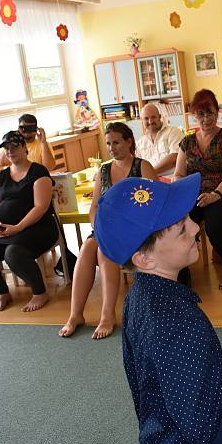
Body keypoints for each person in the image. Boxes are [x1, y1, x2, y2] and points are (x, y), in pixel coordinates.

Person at [94, 173, 222, 444]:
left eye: (188, 218)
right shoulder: (178, 320)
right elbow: (207, 431)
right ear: (144, 258)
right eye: (180, 229)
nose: (194, 226)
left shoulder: (139, 297)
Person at [58, 122, 156, 339]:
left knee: (104, 250)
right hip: (107, 228)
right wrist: (97, 226)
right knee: (87, 247)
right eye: (109, 143)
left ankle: (107, 314)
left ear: (129, 141)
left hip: (135, 231)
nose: (112, 148)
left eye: (117, 142)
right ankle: (76, 314)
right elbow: (94, 207)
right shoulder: (103, 171)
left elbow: (154, 206)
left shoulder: (142, 166)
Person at [0, 131, 58, 313]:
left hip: (37, 228)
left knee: (13, 252)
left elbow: (40, 207)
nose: (10, 151)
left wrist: (18, 227)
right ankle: (2, 292)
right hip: (5, 231)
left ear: (25, 148)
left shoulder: (38, 172)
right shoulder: (0, 177)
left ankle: (40, 292)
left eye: (14, 147)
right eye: (6, 148)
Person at [174, 89, 222, 290]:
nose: (206, 119)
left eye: (210, 113)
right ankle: (181, 272)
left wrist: (215, 195)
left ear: (217, 112)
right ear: (194, 116)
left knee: (215, 226)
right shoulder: (186, 142)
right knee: (176, 224)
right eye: (201, 114)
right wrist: (180, 191)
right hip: (194, 194)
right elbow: (179, 174)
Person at [136, 103, 184, 177]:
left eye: (153, 117)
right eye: (146, 118)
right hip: (150, 183)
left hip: (172, 180)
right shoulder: (140, 142)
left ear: (159, 117)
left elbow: (175, 157)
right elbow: (138, 166)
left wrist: (150, 172)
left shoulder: (173, 132)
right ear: (142, 120)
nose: (150, 121)